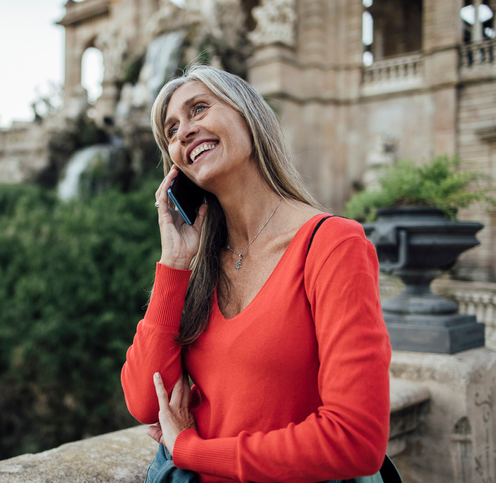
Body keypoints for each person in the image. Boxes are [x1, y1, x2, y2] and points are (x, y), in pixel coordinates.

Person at [120, 65, 391, 483]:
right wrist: (173, 262)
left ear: (250, 116)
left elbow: (356, 440)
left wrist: (193, 451)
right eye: (171, 131)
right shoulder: (201, 264)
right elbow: (143, 399)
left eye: (199, 109)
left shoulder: (334, 245)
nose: (184, 133)